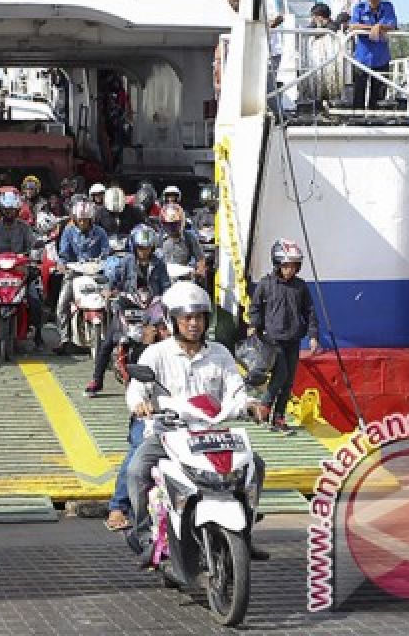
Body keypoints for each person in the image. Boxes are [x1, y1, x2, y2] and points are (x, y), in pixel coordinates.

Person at [124, 281, 268, 563]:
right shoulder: (156, 354)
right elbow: (136, 390)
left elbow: (236, 391)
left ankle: (243, 534)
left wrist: (250, 405)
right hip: (168, 436)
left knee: (255, 466)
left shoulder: (220, 353)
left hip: (211, 436)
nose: (194, 324)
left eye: (200, 317)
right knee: (136, 470)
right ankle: (144, 538)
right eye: (187, 317)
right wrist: (140, 405)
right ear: (172, 319)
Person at [87, 224, 171, 398]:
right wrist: (109, 290)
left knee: (166, 340)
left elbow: (165, 285)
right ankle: (97, 380)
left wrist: (167, 296)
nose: (144, 252)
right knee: (107, 344)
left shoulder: (159, 264)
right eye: (141, 248)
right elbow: (115, 281)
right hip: (128, 305)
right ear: (134, 247)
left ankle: (167, 380)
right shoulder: (126, 262)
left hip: (152, 308)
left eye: (147, 248)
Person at [247, 239, 320, 434]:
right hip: (272, 339)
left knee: (288, 381)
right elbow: (255, 307)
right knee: (281, 374)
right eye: (286, 265)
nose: (290, 270)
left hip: (293, 338)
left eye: (294, 266)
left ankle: (278, 417)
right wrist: (254, 325)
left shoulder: (300, 287)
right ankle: (265, 405)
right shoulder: (266, 284)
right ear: (277, 264)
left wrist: (313, 335)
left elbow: (310, 311)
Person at [0, 190, 44, 348]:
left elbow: (33, 245)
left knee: (35, 300)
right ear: (0, 210)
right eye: (6, 210)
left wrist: (34, 257)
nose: (9, 213)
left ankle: (38, 334)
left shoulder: (25, 228)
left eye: (12, 210)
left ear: (17, 211)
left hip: (20, 271)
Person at [53, 200, 110, 356]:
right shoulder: (68, 231)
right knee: (61, 305)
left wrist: (105, 261)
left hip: (97, 273)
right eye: (80, 220)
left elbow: (106, 251)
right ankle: (64, 339)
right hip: (74, 273)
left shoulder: (100, 233)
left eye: (86, 219)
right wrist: (62, 264)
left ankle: (113, 337)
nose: (83, 222)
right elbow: (63, 253)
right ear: (75, 219)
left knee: (112, 302)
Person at [349, 0, 398, 111]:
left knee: (379, 94)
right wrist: (373, 28)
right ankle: (357, 120)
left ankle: (376, 119)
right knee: (359, 92)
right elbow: (353, 26)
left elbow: (392, 24)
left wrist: (380, 26)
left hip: (381, 57)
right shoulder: (359, 8)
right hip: (362, 58)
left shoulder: (387, 7)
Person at [158, 203, 205, 280]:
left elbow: (200, 258)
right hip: (164, 280)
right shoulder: (158, 238)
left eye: (174, 225)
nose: (171, 228)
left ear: (181, 222)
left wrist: (199, 272)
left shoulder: (189, 237)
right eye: (168, 225)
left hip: (184, 279)